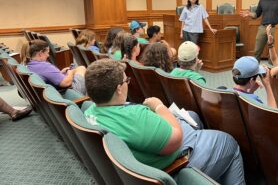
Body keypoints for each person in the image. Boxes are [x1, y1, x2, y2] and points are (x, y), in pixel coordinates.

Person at [84, 59, 245, 185]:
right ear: (119, 88)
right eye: (127, 81)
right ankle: (201, 158)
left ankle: (204, 152)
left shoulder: (89, 111)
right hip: (170, 162)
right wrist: (159, 107)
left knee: (191, 116)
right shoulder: (135, 117)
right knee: (228, 141)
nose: (128, 83)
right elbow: (175, 139)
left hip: (147, 151)